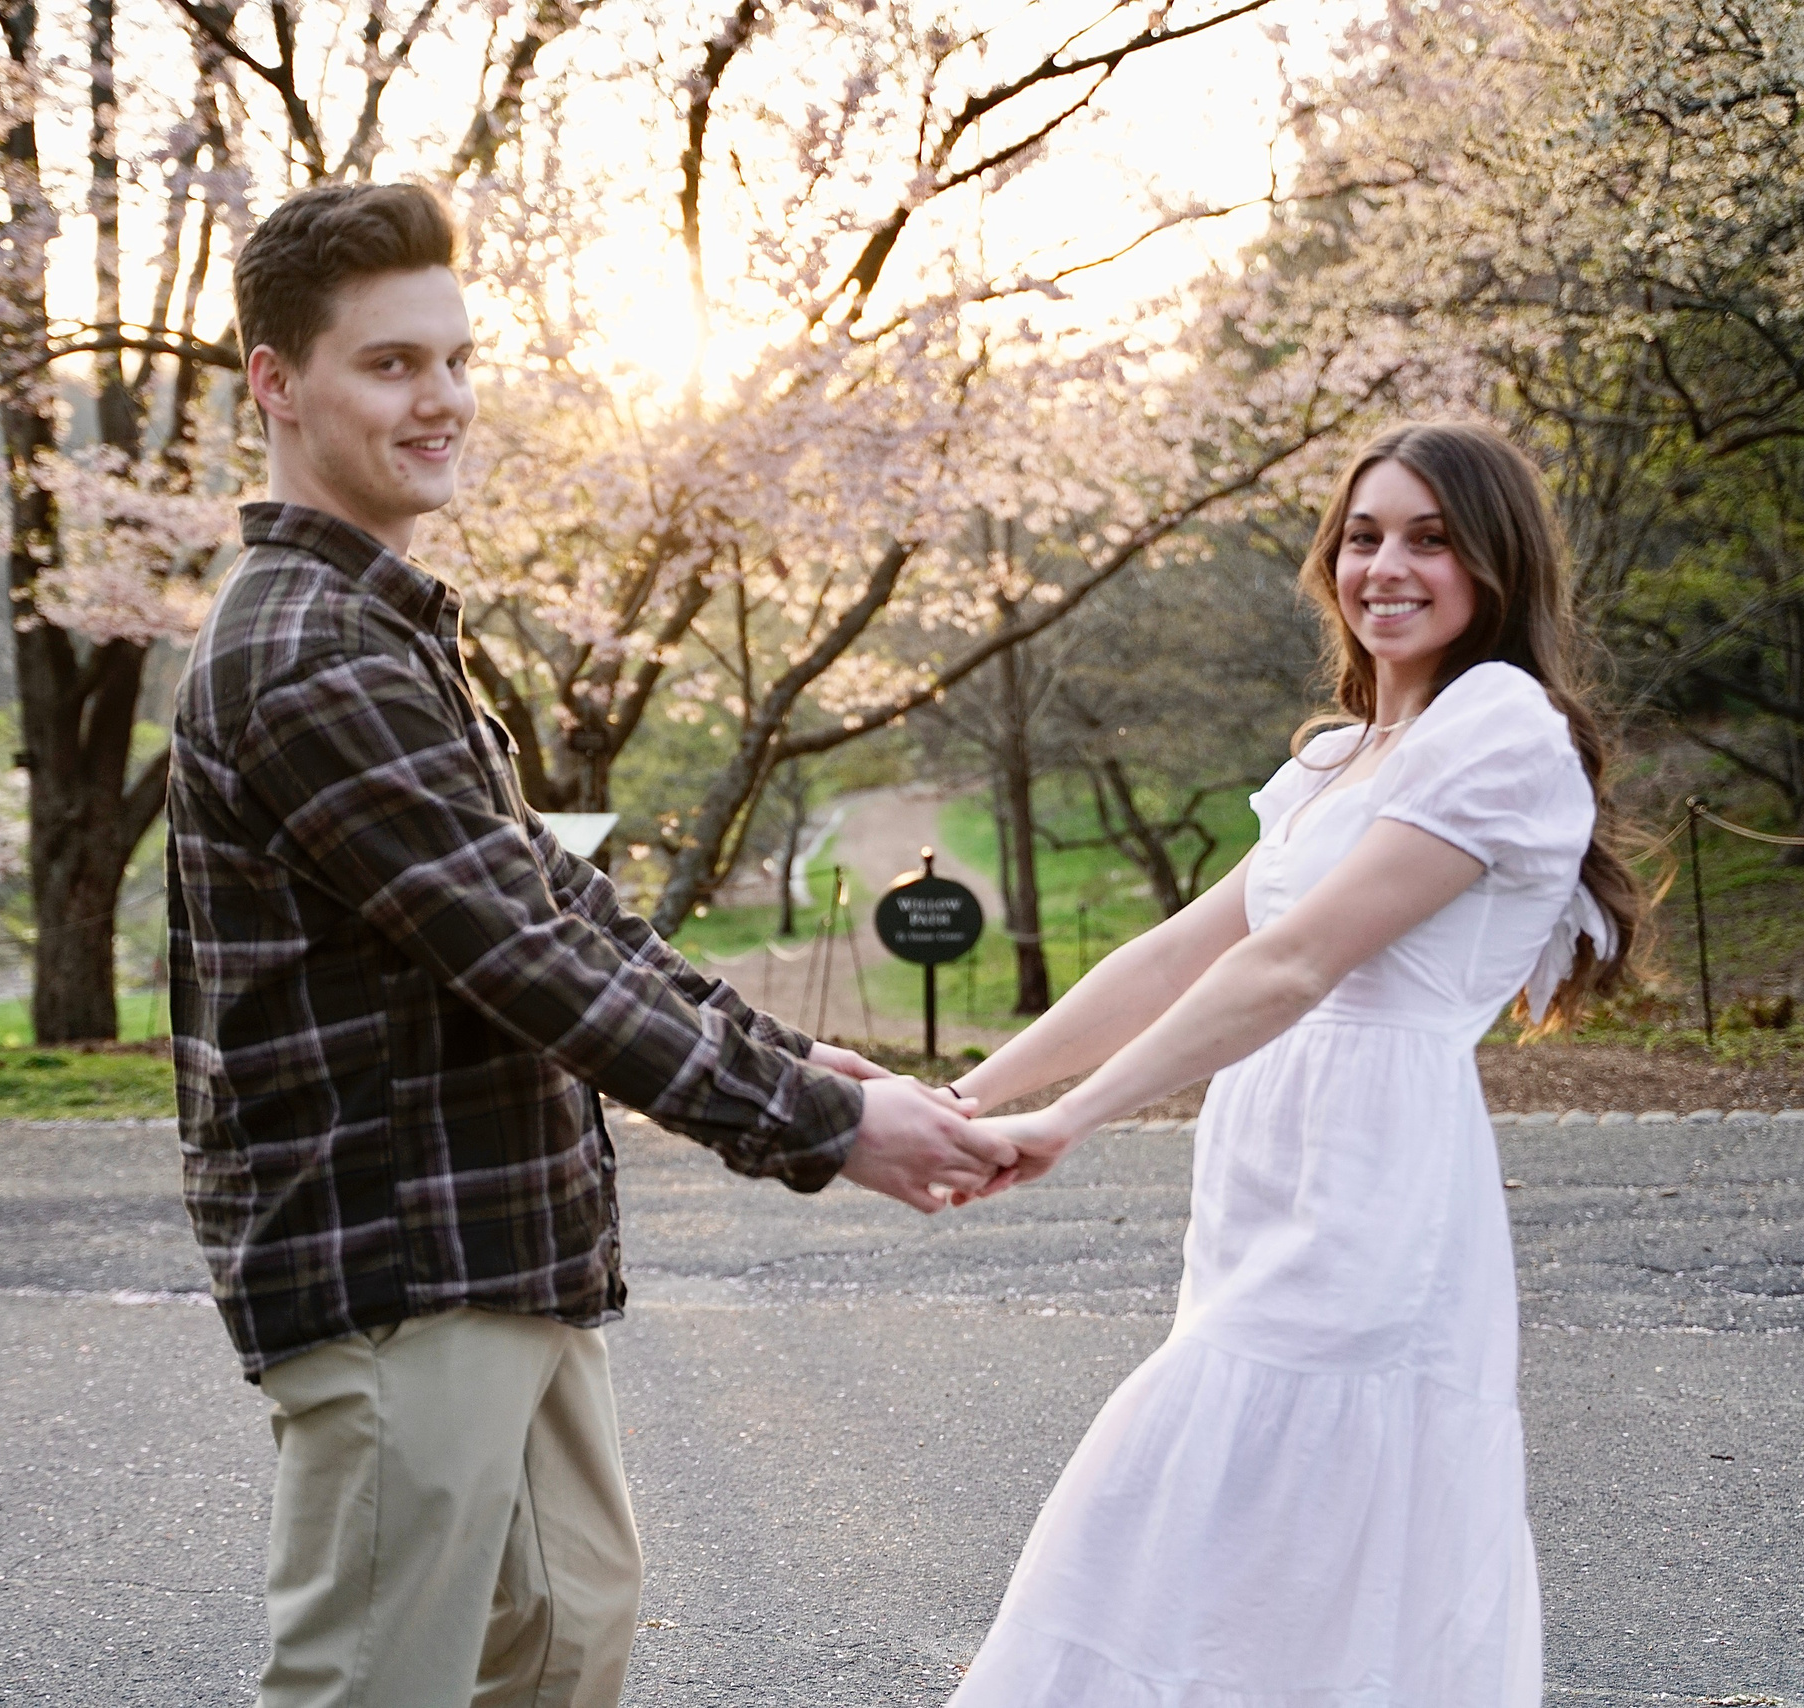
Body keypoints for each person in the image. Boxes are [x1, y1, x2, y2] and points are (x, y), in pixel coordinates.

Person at [163, 181, 1012, 1708]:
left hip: (505, 1246)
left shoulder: (388, 624)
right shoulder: (306, 654)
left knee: (564, 1636)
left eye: (453, 359)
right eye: (391, 364)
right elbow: (522, 956)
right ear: (276, 386)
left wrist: (773, 1053)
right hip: (395, 1259)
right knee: (377, 1681)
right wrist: (821, 1128)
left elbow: (564, 907)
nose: (442, 401)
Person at [944, 421, 1649, 1705]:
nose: (1388, 563)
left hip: (1378, 1183)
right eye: (1365, 534)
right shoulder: (1334, 761)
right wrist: (978, 1092)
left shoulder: (1501, 730)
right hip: (1272, 1171)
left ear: (1497, 566)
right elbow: (1172, 957)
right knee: (1242, 1541)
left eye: (1431, 538)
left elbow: (1295, 965)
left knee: (1192, 1508)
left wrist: (1075, 1120)